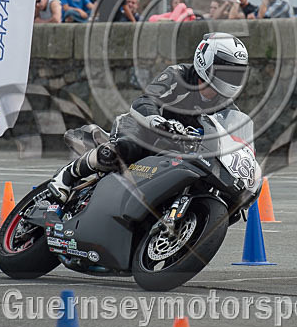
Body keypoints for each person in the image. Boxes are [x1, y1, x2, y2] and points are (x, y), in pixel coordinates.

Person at [48, 32, 249, 202]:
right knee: (122, 151)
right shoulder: (178, 75)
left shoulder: (228, 107)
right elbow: (144, 101)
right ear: (205, 60)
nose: (229, 79)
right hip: (144, 128)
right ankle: (66, 175)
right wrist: (157, 121)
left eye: (235, 74)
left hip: (178, 149)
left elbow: (235, 141)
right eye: (224, 71)